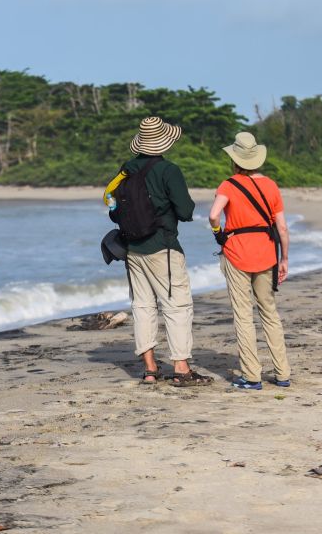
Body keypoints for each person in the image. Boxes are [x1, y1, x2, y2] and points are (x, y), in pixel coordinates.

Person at [105, 116, 213, 387]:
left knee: (142, 307)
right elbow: (186, 212)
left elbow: (113, 207)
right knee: (176, 307)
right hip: (162, 247)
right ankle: (181, 369)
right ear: (164, 142)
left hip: (131, 249)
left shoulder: (127, 168)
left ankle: (150, 369)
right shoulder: (169, 170)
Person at [208, 131, 291, 390]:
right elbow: (282, 228)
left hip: (237, 253)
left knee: (243, 315)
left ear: (234, 159)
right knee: (269, 312)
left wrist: (219, 234)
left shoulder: (228, 185)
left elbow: (213, 215)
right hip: (267, 253)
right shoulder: (271, 185)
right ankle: (283, 373)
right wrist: (285, 258)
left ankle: (252, 376)